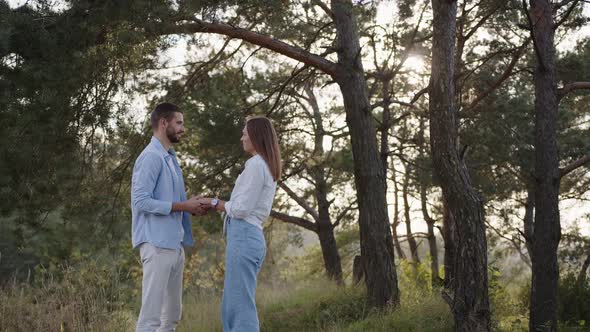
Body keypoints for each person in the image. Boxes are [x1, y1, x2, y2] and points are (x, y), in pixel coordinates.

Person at [197, 116, 282, 332]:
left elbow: (241, 208)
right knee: (234, 305)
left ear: (255, 136)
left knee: (239, 307)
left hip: (244, 236)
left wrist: (214, 202)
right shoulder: (264, 165)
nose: (241, 137)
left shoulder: (256, 165)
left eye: (245, 133)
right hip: (246, 237)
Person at [131, 102, 207, 332]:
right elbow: (141, 201)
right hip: (156, 245)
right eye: (179, 123)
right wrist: (184, 205)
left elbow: (172, 201)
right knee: (150, 320)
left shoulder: (170, 157)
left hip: (174, 245)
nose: (183, 128)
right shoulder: (151, 157)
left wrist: (191, 205)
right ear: (164, 123)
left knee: (171, 318)